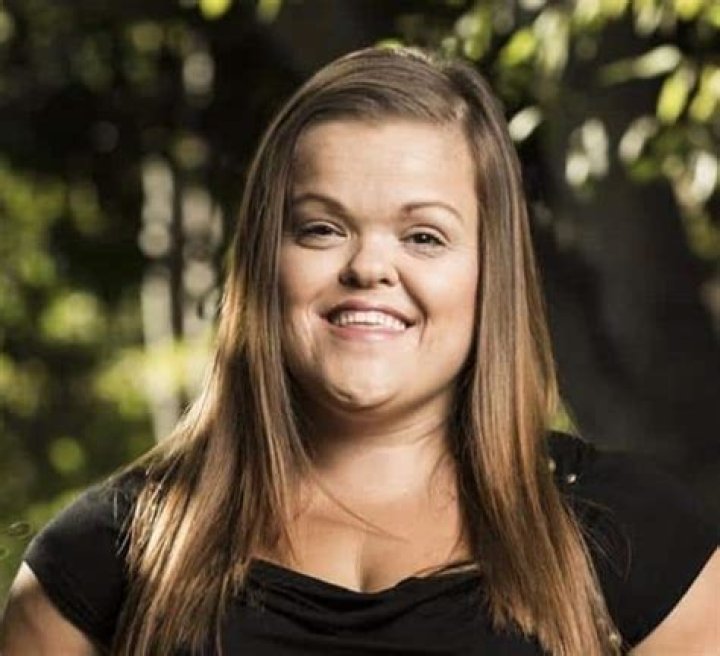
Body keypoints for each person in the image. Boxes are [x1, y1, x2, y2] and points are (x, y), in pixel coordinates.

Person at [0, 46, 717, 656]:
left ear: (490, 273)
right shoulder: (97, 562)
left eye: (424, 236)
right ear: (263, 262)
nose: (370, 267)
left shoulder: (641, 544)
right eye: (321, 228)